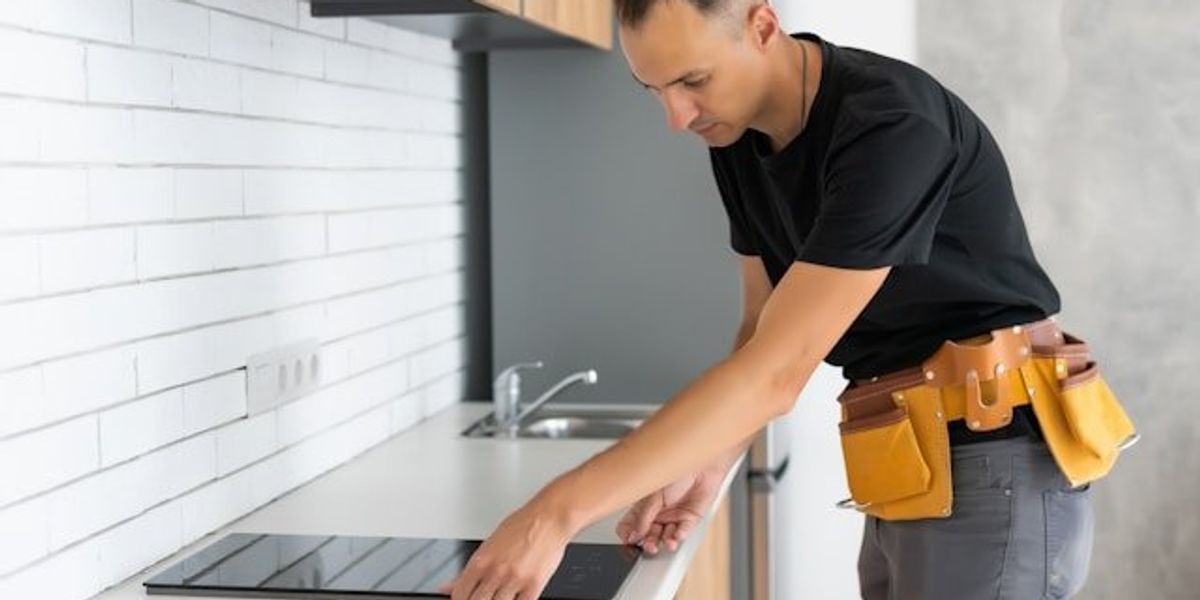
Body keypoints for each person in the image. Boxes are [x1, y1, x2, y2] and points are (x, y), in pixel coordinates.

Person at [441, 1, 1107, 598]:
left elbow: (779, 373)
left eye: (692, 81)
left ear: (762, 26)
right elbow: (762, 326)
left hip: (993, 455)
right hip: (911, 457)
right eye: (654, 89)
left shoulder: (890, 126)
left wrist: (552, 512)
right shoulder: (740, 138)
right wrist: (708, 462)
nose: (676, 117)